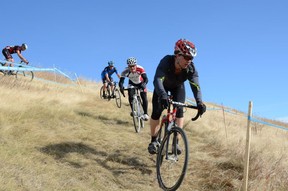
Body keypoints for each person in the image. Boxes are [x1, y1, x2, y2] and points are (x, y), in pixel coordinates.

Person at [147, 39, 206, 154]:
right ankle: (153, 141)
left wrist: (199, 102)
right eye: (187, 57)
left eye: (191, 58)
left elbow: (196, 86)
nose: (189, 61)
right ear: (177, 55)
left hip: (178, 87)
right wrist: (163, 95)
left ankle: (176, 143)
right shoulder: (166, 61)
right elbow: (158, 79)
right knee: (156, 112)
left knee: (179, 112)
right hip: (162, 87)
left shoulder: (191, 69)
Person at [119, 57, 149, 121]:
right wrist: (121, 87)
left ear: (136, 65)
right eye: (130, 66)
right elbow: (121, 82)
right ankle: (133, 110)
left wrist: (144, 84)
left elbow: (146, 79)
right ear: (128, 66)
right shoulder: (125, 72)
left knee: (144, 97)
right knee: (130, 95)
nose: (132, 68)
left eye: (133, 66)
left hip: (141, 83)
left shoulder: (140, 68)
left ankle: (145, 113)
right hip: (132, 83)